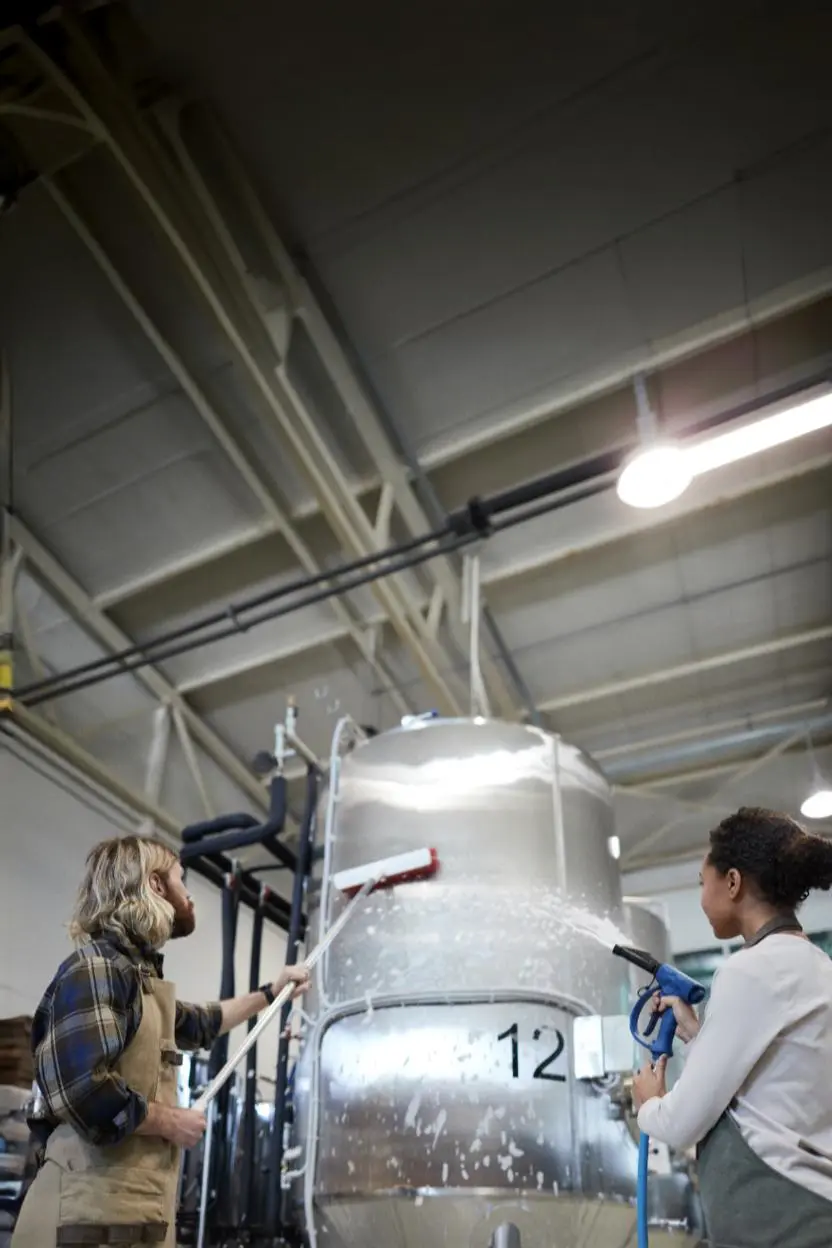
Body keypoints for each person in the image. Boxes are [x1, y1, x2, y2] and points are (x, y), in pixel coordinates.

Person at [12, 836, 309, 1248]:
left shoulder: (138, 982)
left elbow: (203, 1022)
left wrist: (271, 993)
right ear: (155, 885)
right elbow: (84, 1091)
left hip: (121, 1217)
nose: (189, 894)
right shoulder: (97, 968)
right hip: (82, 1220)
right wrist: (172, 1121)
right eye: (181, 879)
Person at [632, 806, 832, 1248]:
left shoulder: (751, 971)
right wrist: (697, 1036)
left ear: (733, 882)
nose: (702, 898)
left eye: (702, 882)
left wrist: (649, 1104)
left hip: (782, 1223)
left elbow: (682, 1123)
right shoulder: (816, 966)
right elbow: (770, 1093)